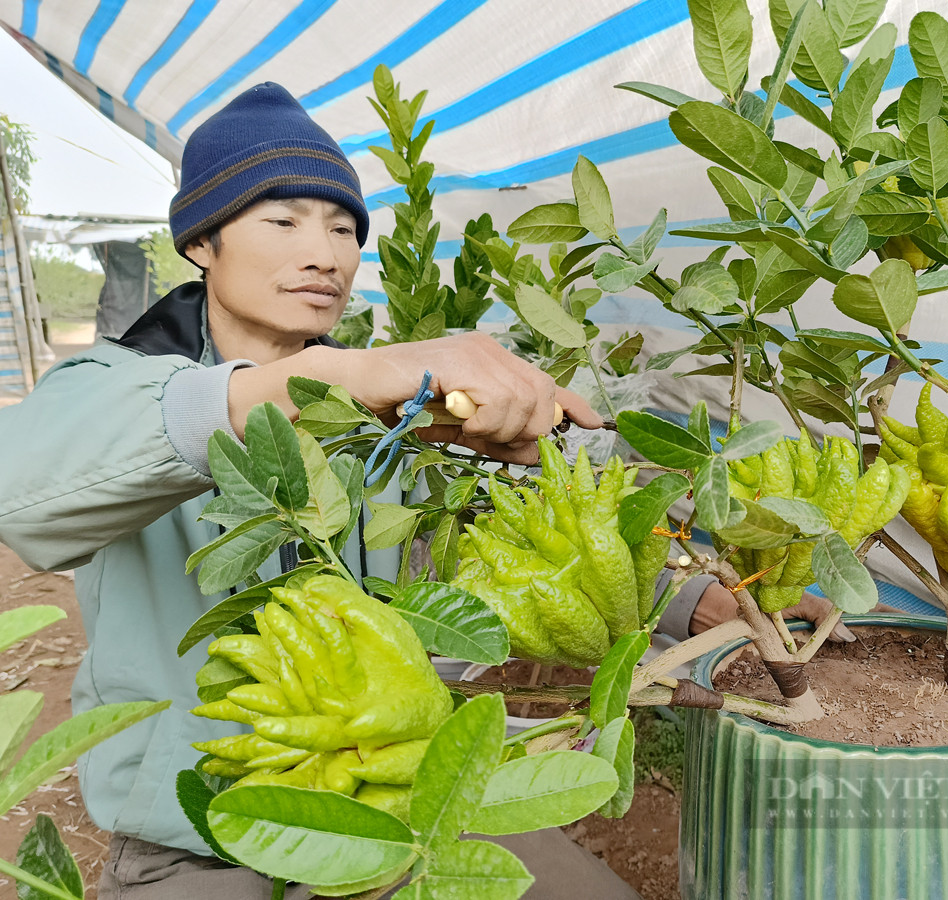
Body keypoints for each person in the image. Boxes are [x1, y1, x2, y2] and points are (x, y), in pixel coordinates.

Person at [0, 82, 839, 898]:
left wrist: (684, 599)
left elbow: (471, 551)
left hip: (402, 784)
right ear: (201, 243)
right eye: (282, 220)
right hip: (205, 833)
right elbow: (28, 493)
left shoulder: (386, 416)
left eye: (342, 228)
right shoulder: (118, 381)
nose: (324, 253)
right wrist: (321, 378)